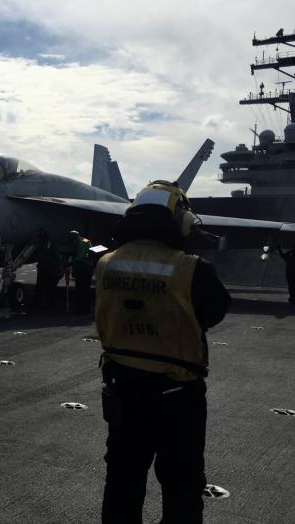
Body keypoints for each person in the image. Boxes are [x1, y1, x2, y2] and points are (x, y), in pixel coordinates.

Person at [95, 180, 230, 523]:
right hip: (177, 399)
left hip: (122, 393)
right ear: (179, 220)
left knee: (122, 483)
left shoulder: (106, 264)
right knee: (182, 489)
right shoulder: (192, 268)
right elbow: (214, 311)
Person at [34, 229, 62, 308]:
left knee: (44, 286)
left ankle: (43, 303)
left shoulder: (46, 243)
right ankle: (47, 303)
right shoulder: (46, 243)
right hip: (47, 267)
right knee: (48, 286)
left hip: (47, 267)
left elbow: (55, 255)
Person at [68, 230, 93, 314]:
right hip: (88, 267)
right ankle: (86, 307)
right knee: (86, 288)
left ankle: (82, 308)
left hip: (83, 268)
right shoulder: (85, 240)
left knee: (81, 289)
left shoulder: (81, 243)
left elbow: (80, 256)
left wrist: (70, 263)